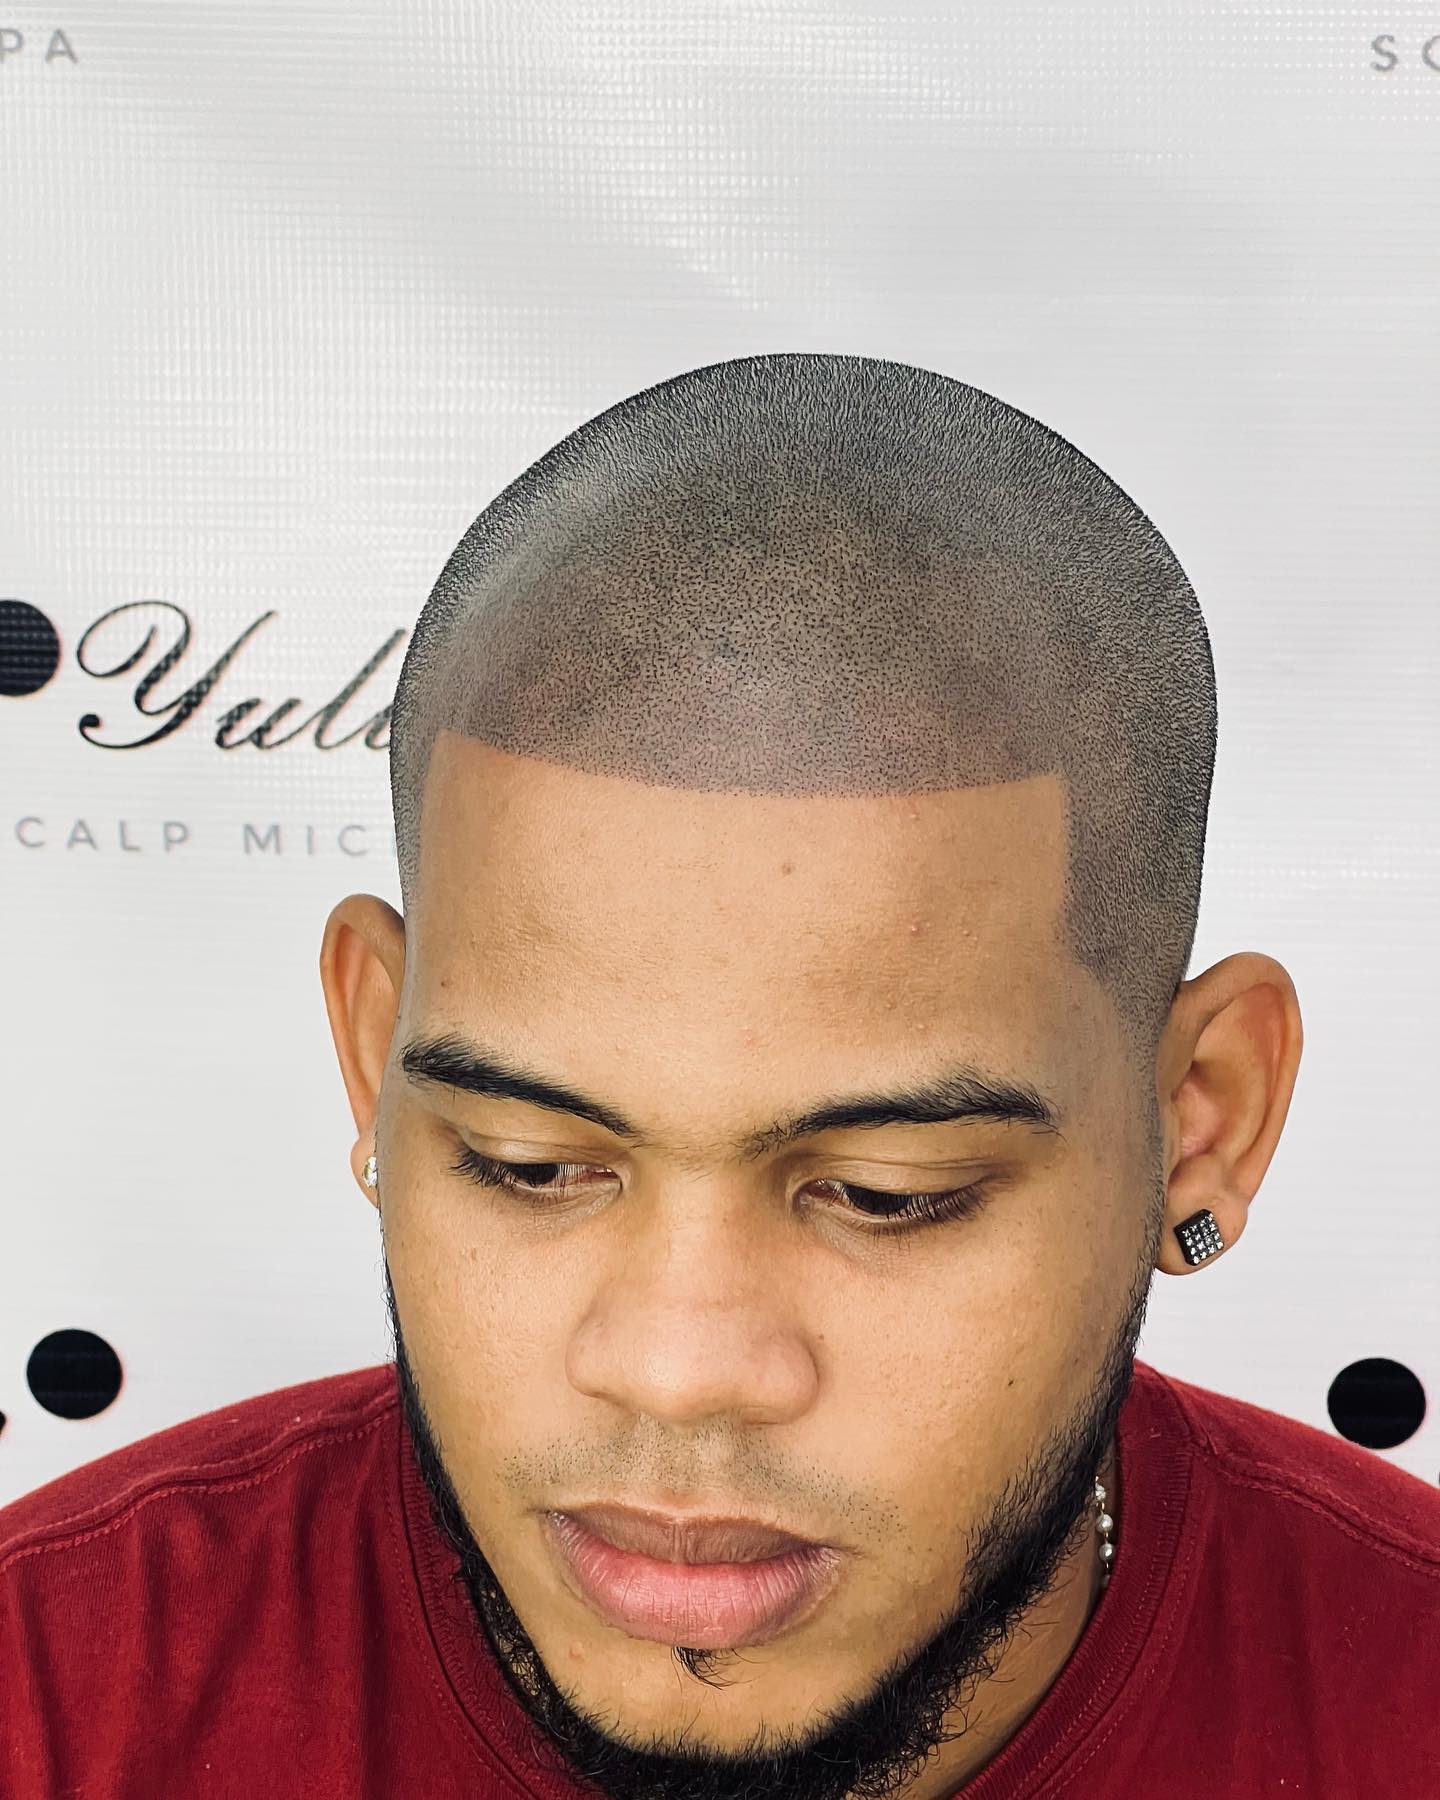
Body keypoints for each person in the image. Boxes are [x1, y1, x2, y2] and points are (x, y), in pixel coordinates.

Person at [2, 353, 1436, 1799]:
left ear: (1200, 1122)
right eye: (528, 1165)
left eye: (885, 1194)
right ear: (376, 1065)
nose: (677, 1373)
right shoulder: (45, 1697)